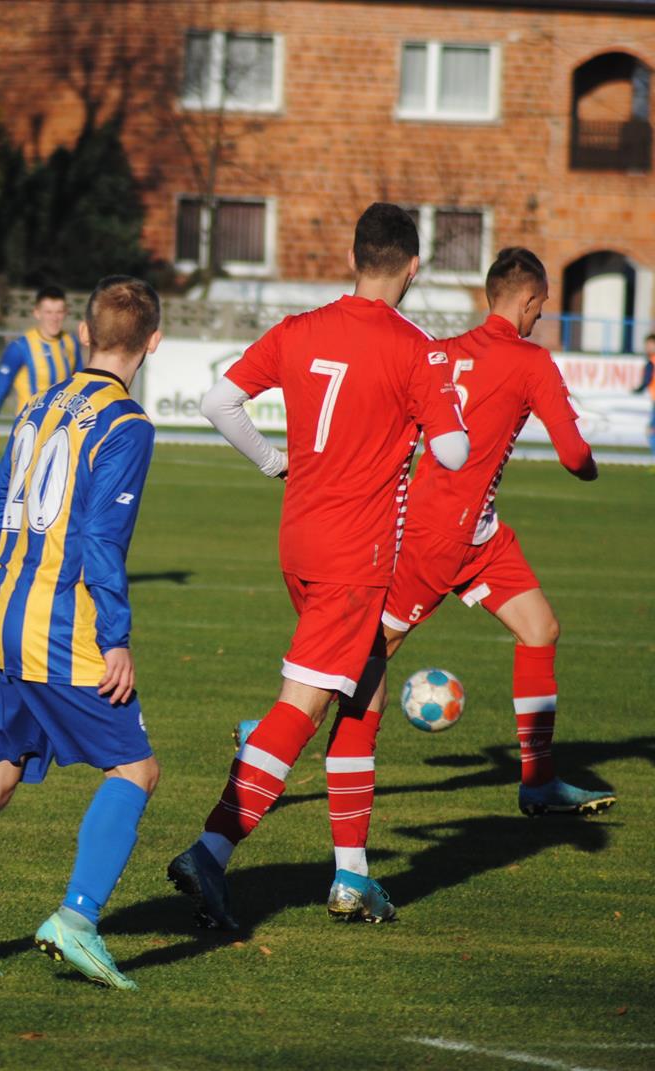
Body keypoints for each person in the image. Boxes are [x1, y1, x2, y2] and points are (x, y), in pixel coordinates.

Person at [166, 203, 469, 931]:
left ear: (356, 256)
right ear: (414, 267)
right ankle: (211, 847)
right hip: (354, 557)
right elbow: (455, 453)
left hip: (299, 541)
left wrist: (274, 460)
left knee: (362, 693)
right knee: (303, 704)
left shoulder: (301, 329)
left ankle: (353, 875)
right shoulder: (415, 347)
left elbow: (218, 400)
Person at [0, 276, 162, 988]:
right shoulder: (127, 423)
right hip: (60, 627)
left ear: (82, 334)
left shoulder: (40, 406)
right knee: (135, 769)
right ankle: (77, 920)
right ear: (154, 341)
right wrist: (115, 633)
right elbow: (103, 539)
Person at [379, 248, 612, 816]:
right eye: (542, 307)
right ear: (529, 300)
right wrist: (590, 468)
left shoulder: (444, 352)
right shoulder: (531, 361)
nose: (540, 317)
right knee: (367, 651)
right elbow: (575, 455)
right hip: (437, 538)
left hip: (478, 534)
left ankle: (538, 782)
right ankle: (269, 731)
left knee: (540, 629)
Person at [0, 286, 81, 588]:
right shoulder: (20, 348)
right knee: (18, 505)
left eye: (60, 312)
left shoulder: (70, 344)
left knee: (52, 506)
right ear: (36, 313)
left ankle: (35, 564)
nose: (54, 318)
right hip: (27, 440)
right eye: (49, 312)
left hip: (61, 440)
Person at [634, 331, 655, 464]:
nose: (647, 348)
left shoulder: (651, 362)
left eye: (650, 345)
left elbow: (647, 380)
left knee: (651, 431)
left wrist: (638, 389)